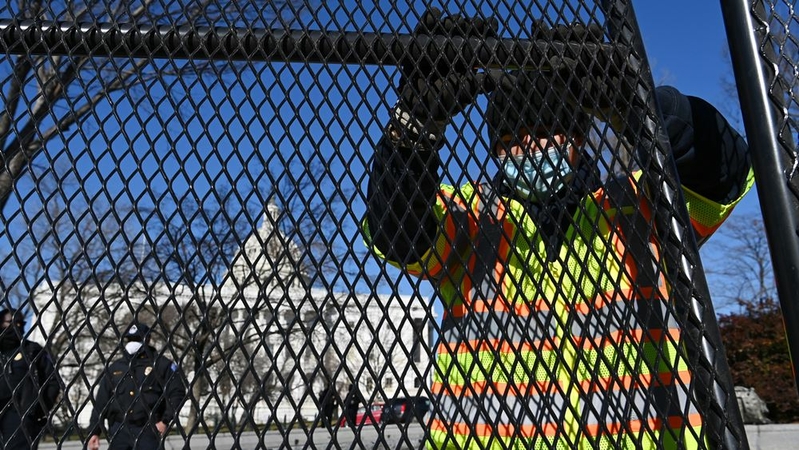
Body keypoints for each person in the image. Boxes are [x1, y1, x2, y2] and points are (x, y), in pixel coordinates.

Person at [363, 9, 753, 450]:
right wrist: (413, 128)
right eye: (511, 139)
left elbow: (724, 171)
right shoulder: (471, 215)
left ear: (577, 139)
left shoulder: (638, 207)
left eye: (544, 131)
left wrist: (639, 109)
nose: (527, 146)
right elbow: (395, 231)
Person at [87, 322, 186, 450]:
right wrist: (94, 431)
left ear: (148, 339)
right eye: (130, 340)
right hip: (119, 429)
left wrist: (165, 421)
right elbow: (101, 401)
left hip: (148, 428)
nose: (133, 343)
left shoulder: (162, 365)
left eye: (137, 339)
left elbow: (177, 393)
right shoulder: (115, 368)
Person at [0, 308, 61, 449]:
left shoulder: (32, 350)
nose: (16, 326)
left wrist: (37, 410)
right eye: (10, 322)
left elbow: (53, 381)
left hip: (22, 417)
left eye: (20, 323)